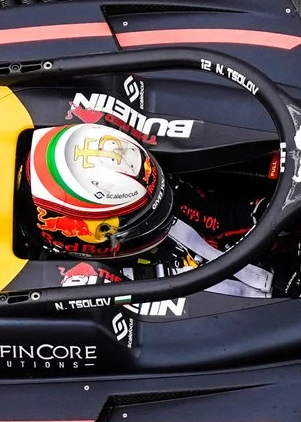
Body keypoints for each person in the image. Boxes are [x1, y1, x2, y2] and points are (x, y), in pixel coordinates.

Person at [26, 119, 273, 297]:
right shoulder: (85, 286)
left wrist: (268, 214)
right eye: (135, 218)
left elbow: (216, 214)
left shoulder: (146, 194)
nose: (156, 217)